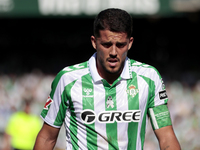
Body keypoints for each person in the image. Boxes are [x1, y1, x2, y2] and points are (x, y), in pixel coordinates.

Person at [34, 8, 181, 150]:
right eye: (106, 44)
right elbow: (47, 137)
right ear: (94, 42)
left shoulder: (149, 77)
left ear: (130, 43)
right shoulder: (67, 79)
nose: (113, 52)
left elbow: (166, 136)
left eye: (120, 45)